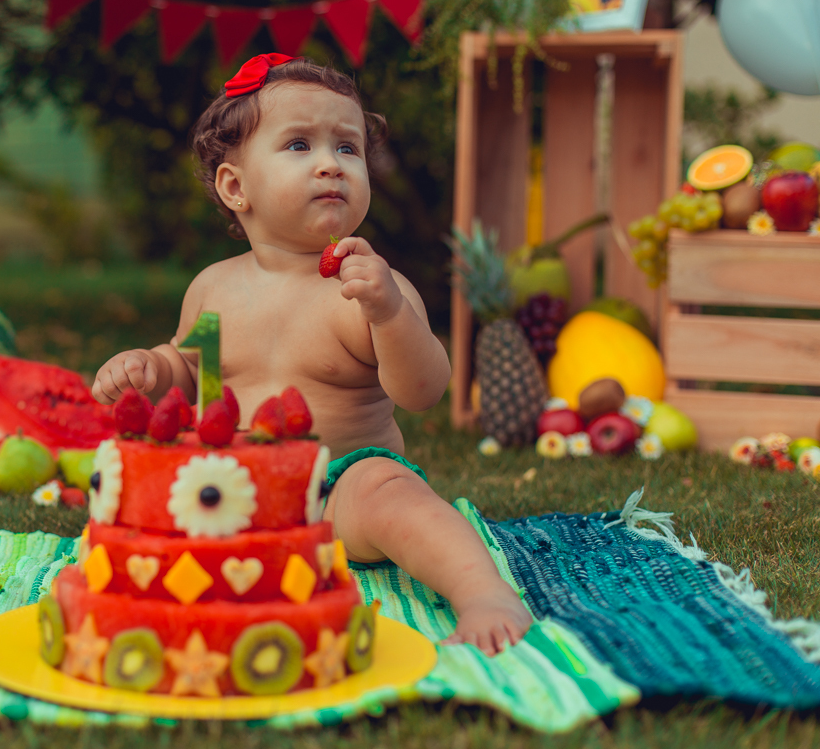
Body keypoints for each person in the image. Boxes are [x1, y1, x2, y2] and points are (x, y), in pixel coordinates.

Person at [91, 54, 531, 655]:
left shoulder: (370, 287)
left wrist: (389, 315)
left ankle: (482, 591)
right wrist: (151, 368)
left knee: (390, 494)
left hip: (338, 491)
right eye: (299, 145)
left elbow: (423, 391)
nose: (331, 163)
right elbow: (193, 370)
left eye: (348, 148)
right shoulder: (213, 288)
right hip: (232, 491)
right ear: (235, 187)